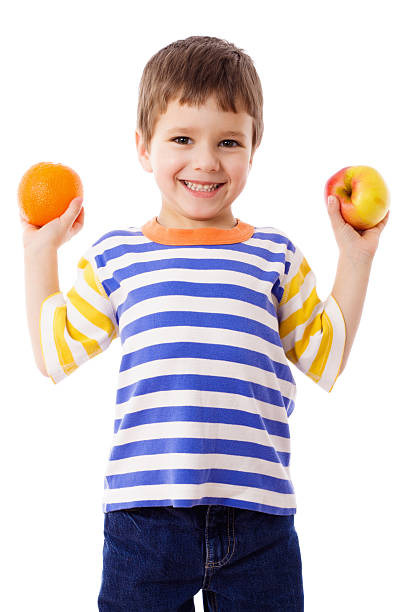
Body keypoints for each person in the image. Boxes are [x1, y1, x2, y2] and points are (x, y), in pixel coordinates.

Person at [21, 35, 389, 612]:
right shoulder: (117, 255)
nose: (206, 161)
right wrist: (40, 248)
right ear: (144, 147)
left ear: (253, 147)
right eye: (182, 139)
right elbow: (54, 352)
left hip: (258, 521)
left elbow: (326, 355)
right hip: (145, 521)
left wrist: (357, 257)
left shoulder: (275, 255)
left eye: (228, 142)